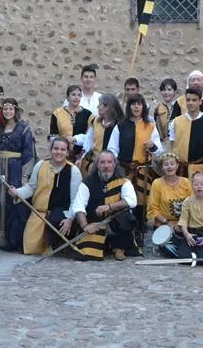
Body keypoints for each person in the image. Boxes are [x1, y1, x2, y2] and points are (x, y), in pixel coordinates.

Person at [107, 94, 163, 246]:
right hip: (124, 170)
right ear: (129, 106)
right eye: (133, 104)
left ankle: (139, 232)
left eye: (139, 104)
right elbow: (112, 148)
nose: (136, 107)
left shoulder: (150, 126)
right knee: (122, 201)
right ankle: (123, 235)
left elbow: (159, 151)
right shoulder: (120, 126)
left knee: (141, 203)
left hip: (143, 170)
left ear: (143, 106)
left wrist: (153, 146)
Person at [9, 137, 81, 255]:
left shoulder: (74, 171)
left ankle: (57, 244)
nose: (59, 152)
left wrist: (70, 219)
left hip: (61, 213)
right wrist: (17, 192)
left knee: (57, 220)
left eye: (63, 150)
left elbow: (75, 200)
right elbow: (30, 188)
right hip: (39, 213)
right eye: (56, 148)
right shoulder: (40, 165)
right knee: (31, 248)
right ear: (51, 150)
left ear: (67, 152)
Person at [0, 98, 36, 251]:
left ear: (16, 111)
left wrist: (24, 176)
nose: (8, 112)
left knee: (14, 202)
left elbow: (29, 154)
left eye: (11, 109)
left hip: (15, 169)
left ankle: (14, 240)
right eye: (5, 109)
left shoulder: (24, 129)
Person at [72, 151, 138, 261]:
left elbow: (132, 201)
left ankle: (119, 247)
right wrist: (85, 226)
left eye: (109, 162)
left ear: (114, 164)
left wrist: (109, 207)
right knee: (86, 253)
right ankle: (106, 245)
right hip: (95, 223)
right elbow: (79, 207)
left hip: (116, 223)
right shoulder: (87, 183)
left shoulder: (124, 181)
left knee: (127, 218)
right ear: (97, 164)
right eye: (102, 162)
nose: (106, 166)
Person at [162, 172, 203, 262]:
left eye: (202, 184)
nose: (199, 187)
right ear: (192, 186)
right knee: (184, 258)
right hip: (191, 233)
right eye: (196, 184)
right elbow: (183, 221)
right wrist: (187, 235)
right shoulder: (187, 201)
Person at [168, 87, 203, 178]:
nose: (191, 103)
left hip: (199, 170)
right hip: (178, 169)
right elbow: (172, 146)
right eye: (188, 100)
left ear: (200, 101)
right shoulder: (176, 122)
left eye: (194, 100)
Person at [146, 153, 191, 230]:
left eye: (172, 164)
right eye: (166, 164)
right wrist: (167, 222)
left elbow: (192, 204)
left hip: (184, 224)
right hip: (163, 224)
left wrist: (182, 223)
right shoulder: (157, 183)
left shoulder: (186, 182)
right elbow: (152, 209)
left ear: (177, 165)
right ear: (162, 168)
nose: (169, 166)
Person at [81, 94, 124, 174]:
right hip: (95, 163)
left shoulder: (120, 125)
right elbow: (89, 139)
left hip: (112, 166)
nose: (98, 107)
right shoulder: (95, 121)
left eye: (100, 105)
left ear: (107, 107)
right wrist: (82, 155)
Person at [50, 85, 93, 162]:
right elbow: (53, 135)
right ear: (67, 97)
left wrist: (76, 140)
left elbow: (90, 136)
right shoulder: (57, 113)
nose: (76, 97)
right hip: (61, 154)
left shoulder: (88, 114)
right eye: (73, 95)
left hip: (81, 157)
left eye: (79, 95)